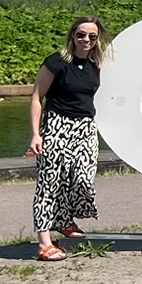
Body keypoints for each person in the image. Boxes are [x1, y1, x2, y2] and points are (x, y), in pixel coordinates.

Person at [30, 17, 104, 260]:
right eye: (81, 34)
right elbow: (36, 97)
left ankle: (63, 220)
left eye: (92, 36)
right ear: (72, 35)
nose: (86, 40)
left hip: (85, 127)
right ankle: (44, 244)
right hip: (57, 124)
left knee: (83, 179)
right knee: (50, 182)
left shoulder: (95, 64)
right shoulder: (56, 62)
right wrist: (36, 134)